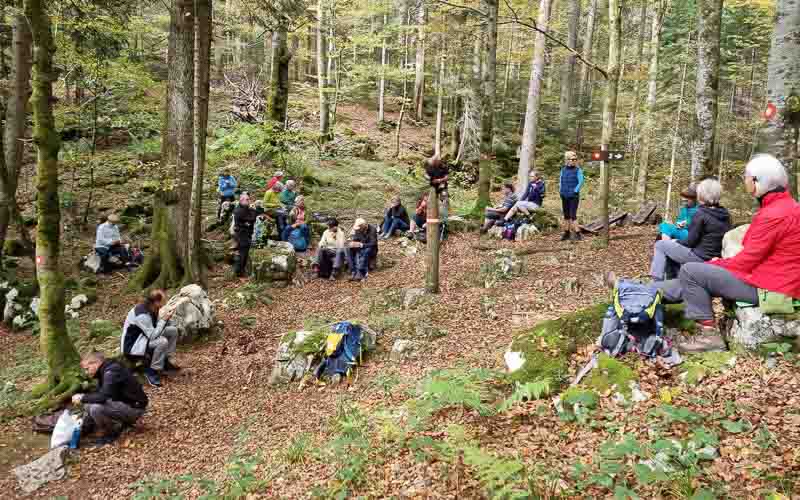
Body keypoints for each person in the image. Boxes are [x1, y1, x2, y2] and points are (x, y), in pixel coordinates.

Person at [658, 154, 800, 352]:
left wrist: (714, 264)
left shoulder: (773, 214)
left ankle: (709, 337)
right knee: (694, 276)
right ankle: (639, 290)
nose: (745, 181)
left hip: (771, 287)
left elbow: (745, 262)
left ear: (758, 181)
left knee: (691, 272)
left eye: (747, 177)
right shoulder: (787, 207)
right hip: (773, 279)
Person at [650, 178, 731, 281]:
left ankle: (656, 282)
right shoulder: (724, 213)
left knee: (660, 245)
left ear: (701, 195)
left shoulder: (701, 213)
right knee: (669, 248)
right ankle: (672, 281)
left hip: (699, 256)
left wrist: (675, 241)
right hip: (715, 256)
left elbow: (689, 242)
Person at [72, 351, 148, 446]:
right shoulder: (106, 370)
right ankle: (93, 426)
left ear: (95, 363)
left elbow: (103, 397)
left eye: (87, 369)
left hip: (135, 408)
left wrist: (82, 397)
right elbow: (101, 393)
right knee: (89, 404)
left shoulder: (111, 372)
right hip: (125, 403)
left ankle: (111, 433)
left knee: (96, 408)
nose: (87, 373)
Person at [120, 289, 180, 387]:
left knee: (172, 331)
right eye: (163, 301)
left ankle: (165, 361)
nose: (165, 303)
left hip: (145, 338)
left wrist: (167, 319)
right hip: (134, 345)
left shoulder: (153, 308)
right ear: (156, 301)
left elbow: (156, 327)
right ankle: (153, 371)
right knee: (162, 342)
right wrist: (163, 320)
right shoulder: (142, 314)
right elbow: (153, 335)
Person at [559, 151, 585, 241]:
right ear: (567, 160)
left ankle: (578, 234)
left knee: (573, 215)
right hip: (564, 195)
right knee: (566, 215)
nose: (574, 161)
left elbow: (581, 181)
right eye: (572, 159)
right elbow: (560, 181)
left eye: (575, 159)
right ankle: (567, 233)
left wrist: (575, 191)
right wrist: (560, 191)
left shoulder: (578, 170)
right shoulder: (563, 169)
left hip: (573, 196)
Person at [233, 193, 257, 277]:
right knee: (242, 253)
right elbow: (252, 218)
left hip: (246, 233)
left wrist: (249, 221)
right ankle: (239, 273)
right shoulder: (239, 210)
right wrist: (252, 212)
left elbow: (250, 220)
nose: (249, 201)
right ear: (241, 200)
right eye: (247, 200)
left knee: (244, 253)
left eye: (249, 199)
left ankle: (241, 271)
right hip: (241, 234)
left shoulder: (245, 208)